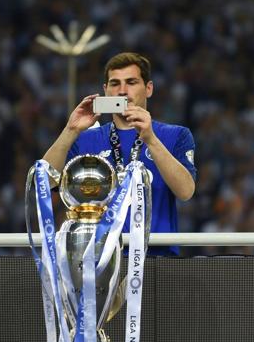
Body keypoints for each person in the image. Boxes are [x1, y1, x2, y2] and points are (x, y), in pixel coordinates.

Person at [43, 52, 197, 256]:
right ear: (105, 91)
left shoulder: (175, 135)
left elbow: (186, 191)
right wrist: (70, 130)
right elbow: (43, 183)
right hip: (96, 264)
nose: (122, 90)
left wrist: (150, 139)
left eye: (131, 82)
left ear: (148, 88)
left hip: (157, 259)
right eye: (115, 83)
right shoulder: (84, 138)